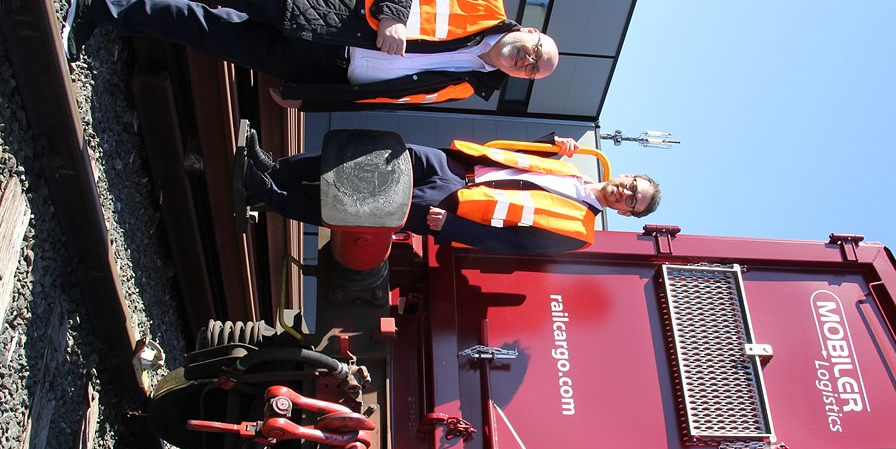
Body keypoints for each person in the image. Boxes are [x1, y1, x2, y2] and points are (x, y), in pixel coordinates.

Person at [40, 0, 559, 110]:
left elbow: (386, 96)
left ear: (523, 78)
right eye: (535, 50)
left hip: (322, 63)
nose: (527, 59)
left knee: (203, 30)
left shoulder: (469, 86)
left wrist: (312, 98)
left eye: (533, 70)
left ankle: (96, 6)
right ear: (529, 31)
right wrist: (394, 15)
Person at [239, 134, 661, 254]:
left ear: (624, 214)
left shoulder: (580, 231)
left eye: (630, 201)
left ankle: (270, 196)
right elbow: (516, 157)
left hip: (453, 207)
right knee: (371, 159)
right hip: (455, 167)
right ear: (626, 175)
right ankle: (277, 167)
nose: (624, 192)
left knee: (363, 208)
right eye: (631, 186)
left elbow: (513, 243)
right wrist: (550, 140)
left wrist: (453, 229)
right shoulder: (570, 165)